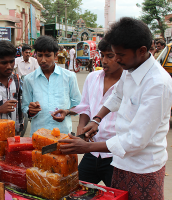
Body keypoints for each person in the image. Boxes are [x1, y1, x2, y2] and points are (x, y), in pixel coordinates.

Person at [59, 17, 172, 200]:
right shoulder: (131, 67)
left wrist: (87, 147)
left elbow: (136, 140)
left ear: (142, 51)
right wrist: (97, 119)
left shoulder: (157, 84)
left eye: (120, 55)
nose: (117, 60)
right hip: (121, 162)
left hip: (142, 168)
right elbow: (117, 95)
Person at [70, 39, 123, 187]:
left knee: (116, 195)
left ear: (120, 56)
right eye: (102, 55)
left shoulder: (128, 83)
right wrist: (81, 125)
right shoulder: (92, 77)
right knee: (75, 190)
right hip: (92, 152)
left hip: (115, 156)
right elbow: (85, 106)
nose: (104, 61)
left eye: (110, 56)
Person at [22, 36, 81, 136]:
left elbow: (79, 106)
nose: (43, 60)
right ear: (35, 55)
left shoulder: (69, 77)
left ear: (56, 55)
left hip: (63, 135)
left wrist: (67, 112)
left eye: (48, 55)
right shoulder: (29, 79)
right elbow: (24, 107)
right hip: (38, 135)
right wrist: (31, 111)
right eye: (40, 55)